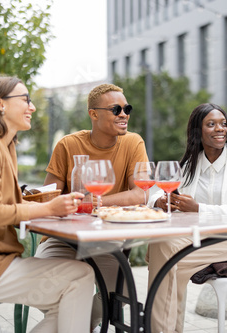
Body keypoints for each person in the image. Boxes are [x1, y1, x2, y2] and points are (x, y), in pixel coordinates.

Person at [0, 75, 95, 332]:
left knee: (68, 295)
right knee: (80, 276)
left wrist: (50, 205)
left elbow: (5, 205)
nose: (32, 107)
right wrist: (48, 208)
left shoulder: (3, 145)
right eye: (25, 99)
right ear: (0, 104)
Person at [147, 103, 227, 332]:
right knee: (162, 247)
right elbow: (162, 189)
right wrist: (159, 201)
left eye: (223, 123)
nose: (220, 129)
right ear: (198, 131)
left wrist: (198, 209)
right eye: (211, 124)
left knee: (167, 262)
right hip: (200, 238)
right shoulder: (191, 163)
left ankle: (156, 328)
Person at [35, 83, 149, 331]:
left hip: (104, 239)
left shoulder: (133, 143)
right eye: (116, 109)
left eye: (126, 108)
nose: (124, 114)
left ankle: (82, 322)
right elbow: (48, 197)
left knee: (123, 290)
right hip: (63, 238)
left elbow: (140, 195)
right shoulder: (67, 145)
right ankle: (74, 321)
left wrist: (93, 204)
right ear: (94, 114)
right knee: (45, 285)